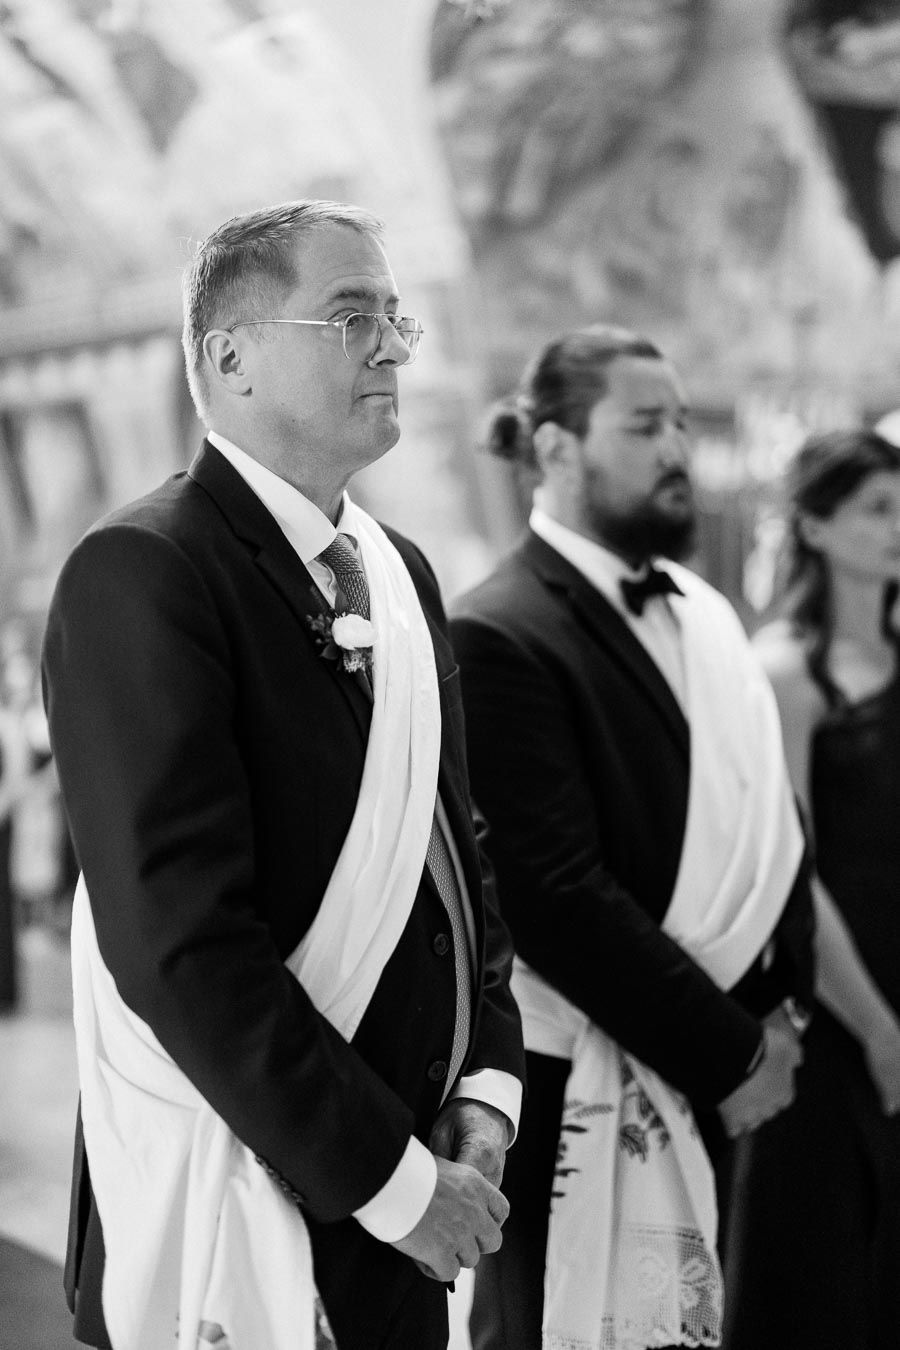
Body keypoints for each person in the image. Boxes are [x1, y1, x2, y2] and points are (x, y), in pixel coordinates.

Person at [43, 199, 525, 1350]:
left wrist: (485, 1096)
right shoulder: (143, 572)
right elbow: (180, 944)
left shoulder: (398, 572)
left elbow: (462, 863)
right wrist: (391, 1183)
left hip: (422, 1182)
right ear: (231, 358)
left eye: (396, 318)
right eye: (353, 317)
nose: (397, 348)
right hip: (276, 1177)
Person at [448, 325, 815, 1350]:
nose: (676, 449)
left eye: (682, 424)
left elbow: (769, 824)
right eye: (645, 424)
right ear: (556, 445)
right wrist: (736, 1054)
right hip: (591, 1085)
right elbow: (557, 897)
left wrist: (780, 1015)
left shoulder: (699, 609)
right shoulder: (500, 627)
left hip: (732, 1070)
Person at [722, 428, 900, 1350]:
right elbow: (793, 870)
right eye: (877, 508)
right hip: (835, 1011)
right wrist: (879, 1031)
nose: (897, 526)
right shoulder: (785, 672)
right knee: (825, 1280)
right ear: (818, 527)